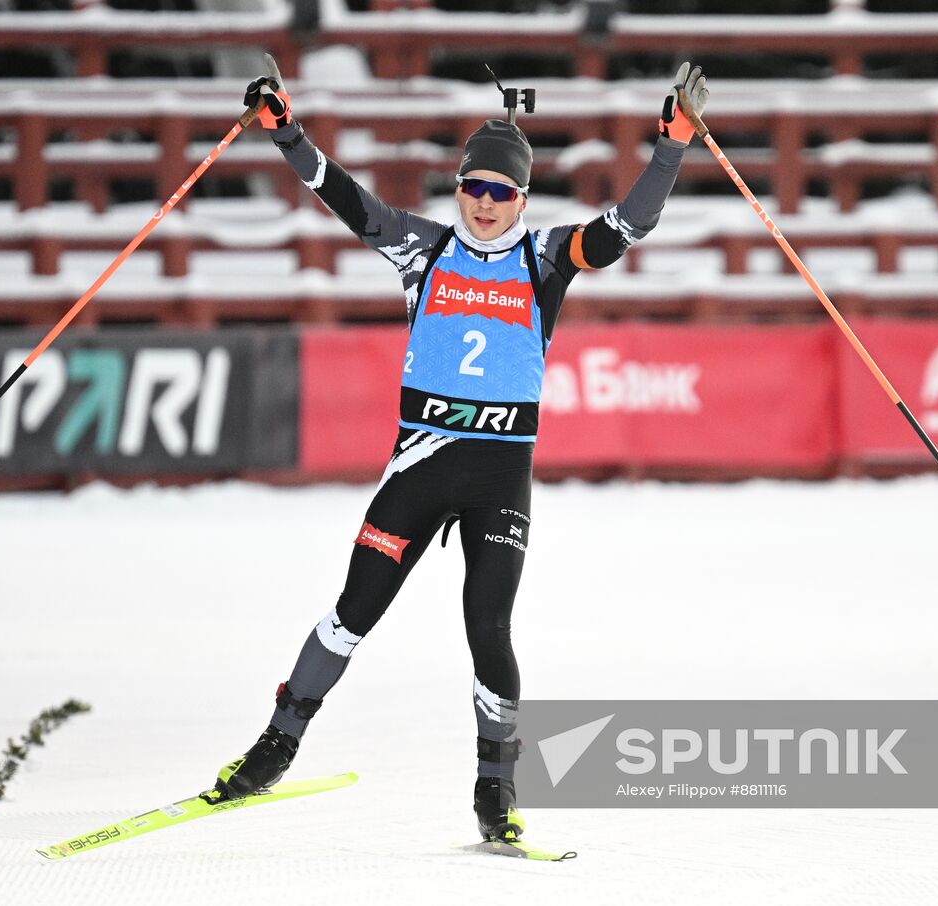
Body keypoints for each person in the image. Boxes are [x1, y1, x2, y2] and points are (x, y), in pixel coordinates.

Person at [212, 56, 710, 842]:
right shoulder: (422, 247)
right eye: (474, 188)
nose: (485, 204)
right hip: (420, 466)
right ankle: (277, 745)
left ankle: (496, 788)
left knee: (489, 627)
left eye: (501, 192)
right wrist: (288, 135)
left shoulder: (543, 258)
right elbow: (347, 200)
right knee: (352, 613)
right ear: (458, 190)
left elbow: (626, 228)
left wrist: (672, 147)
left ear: (522, 198)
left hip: (498, 478)